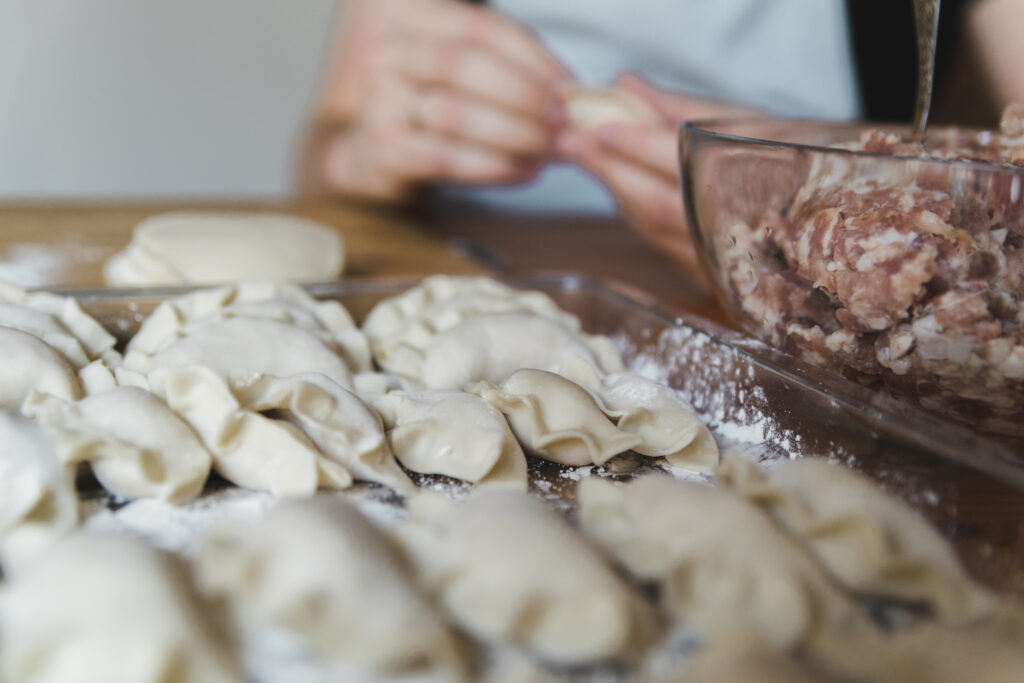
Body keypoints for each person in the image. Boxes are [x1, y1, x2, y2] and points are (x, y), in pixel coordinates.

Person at [302, 0, 1024, 275]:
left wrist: (847, 178)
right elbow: (321, 171)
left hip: (808, 343)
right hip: (464, 279)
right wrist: (362, 147)